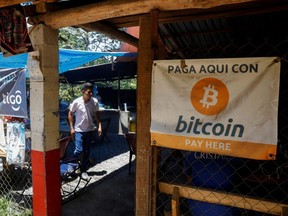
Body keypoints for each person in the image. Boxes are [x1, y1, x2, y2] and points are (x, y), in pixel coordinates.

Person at [68, 82, 102, 180]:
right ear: (83, 91)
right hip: (79, 130)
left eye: (92, 92)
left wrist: (99, 125)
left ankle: (83, 171)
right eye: (89, 92)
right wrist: (71, 128)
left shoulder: (94, 102)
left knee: (87, 151)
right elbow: (70, 114)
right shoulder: (77, 102)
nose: (91, 94)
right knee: (79, 150)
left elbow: (97, 114)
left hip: (90, 130)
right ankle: (71, 165)